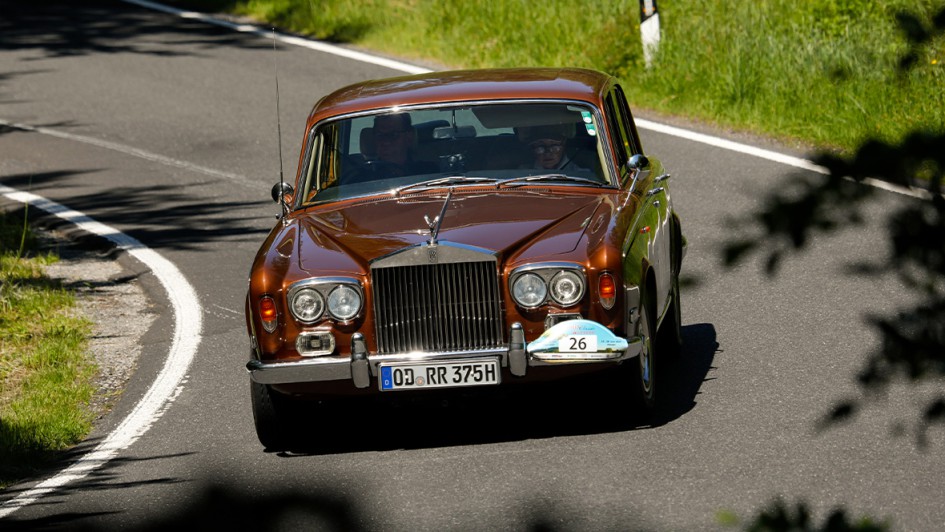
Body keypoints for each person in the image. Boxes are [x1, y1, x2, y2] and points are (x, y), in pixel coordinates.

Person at [360, 113, 437, 179]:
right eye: (379, 135)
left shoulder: (430, 173)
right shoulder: (361, 181)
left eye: (393, 135)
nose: (385, 142)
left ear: (409, 137)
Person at [521, 124, 588, 174]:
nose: (547, 153)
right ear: (533, 149)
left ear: (563, 144)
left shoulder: (581, 174)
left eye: (554, 145)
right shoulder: (521, 174)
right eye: (540, 146)